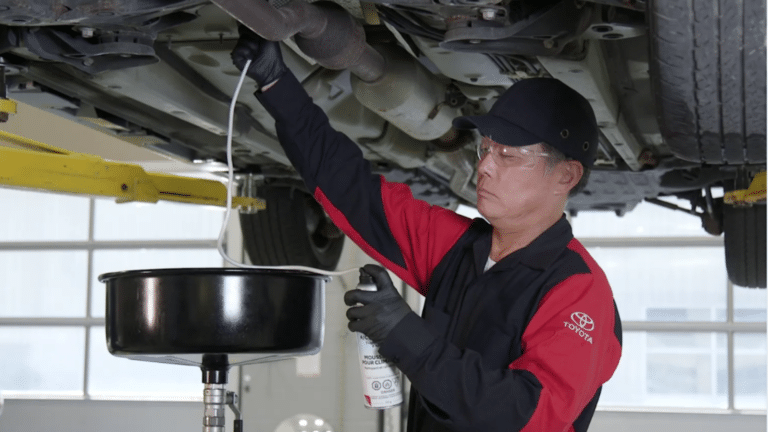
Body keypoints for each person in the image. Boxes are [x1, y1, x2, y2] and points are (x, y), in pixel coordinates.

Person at [231, 27, 622, 432]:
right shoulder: (461, 248)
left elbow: (525, 413)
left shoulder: (578, 290)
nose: (484, 166)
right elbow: (352, 190)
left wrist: (405, 335)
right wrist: (277, 83)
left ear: (565, 175)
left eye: (507, 154)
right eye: (485, 148)